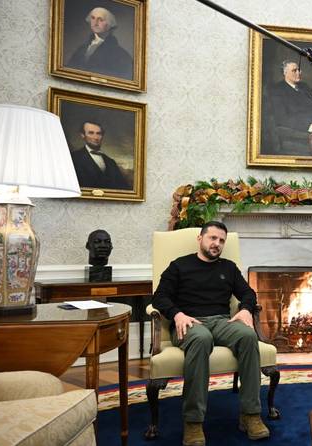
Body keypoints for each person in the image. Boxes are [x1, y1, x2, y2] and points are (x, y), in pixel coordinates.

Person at [152, 221, 269, 445]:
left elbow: (248, 293)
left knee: (247, 335)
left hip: (221, 321)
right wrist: (177, 314)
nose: (217, 244)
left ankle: (251, 414)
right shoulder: (179, 266)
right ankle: (193, 422)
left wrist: (245, 310)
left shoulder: (228, 268)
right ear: (201, 238)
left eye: (222, 240)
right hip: (189, 323)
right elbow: (160, 297)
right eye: (213, 238)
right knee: (202, 338)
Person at [66, 6, 134, 79]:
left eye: (100, 19)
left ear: (109, 25)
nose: (95, 22)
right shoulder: (82, 49)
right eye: (93, 18)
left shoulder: (121, 54)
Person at [70, 120, 131, 190]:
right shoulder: (73, 158)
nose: (96, 137)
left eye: (98, 133)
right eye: (91, 133)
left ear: (102, 136)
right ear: (83, 135)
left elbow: (123, 189)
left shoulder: (111, 162)